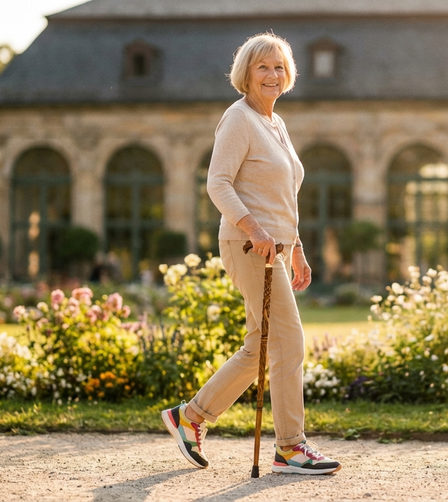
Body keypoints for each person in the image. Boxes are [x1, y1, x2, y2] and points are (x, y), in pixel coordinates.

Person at [160, 33, 342, 475]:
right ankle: (290, 448)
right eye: (263, 66)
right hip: (247, 245)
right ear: (246, 72)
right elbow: (217, 183)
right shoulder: (238, 118)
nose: (273, 74)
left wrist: (295, 248)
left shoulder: (275, 123)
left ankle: (190, 417)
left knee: (259, 346)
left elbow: (285, 196)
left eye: (279, 67)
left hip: (276, 248)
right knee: (289, 341)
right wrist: (254, 229)